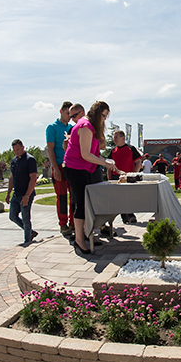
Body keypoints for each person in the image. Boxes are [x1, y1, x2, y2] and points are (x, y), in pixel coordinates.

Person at [64, 101, 116, 255]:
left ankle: (87, 234)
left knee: (87, 202)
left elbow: (93, 153)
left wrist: (105, 160)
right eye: (104, 116)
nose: (104, 120)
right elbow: (85, 155)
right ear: (97, 113)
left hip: (83, 168)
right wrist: (104, 162)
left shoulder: (90, 127)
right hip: (74, 168)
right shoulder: (85, 127)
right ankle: (79, 240)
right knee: (81, 202)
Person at [46, 101, 75, 237]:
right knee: (62, 196)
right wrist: (55, 169)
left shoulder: (72, 127)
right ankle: (63, 224)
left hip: (72, 165)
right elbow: (50, 149)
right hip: (59, 165)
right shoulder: (51, 128)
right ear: (61, 111)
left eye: (72, 114)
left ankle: (73, 222)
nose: (70, 116)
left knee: (74, 195)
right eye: (68, 113)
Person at [5, 139, 38, 246]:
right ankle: (30, 232)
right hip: (16, 194)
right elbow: (11, 178)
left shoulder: (30, 160)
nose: (16, 152)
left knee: (25, 217)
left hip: (26, 194)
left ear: (23, 147)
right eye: (14, 150)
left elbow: (33, 179)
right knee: (12, 216)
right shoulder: (14, 161)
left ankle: (27, 240)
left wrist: (27, 196)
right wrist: (8, 193)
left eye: (18, 149)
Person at [108, 130, 143, 223]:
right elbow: (108, 167)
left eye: (116, 137)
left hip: (128, 177)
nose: (114, 139)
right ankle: (125, 217)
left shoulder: (131, 149)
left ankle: (130, 215)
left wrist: (132, 175)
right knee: (119, 198)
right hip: (116, 177)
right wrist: (109, 180)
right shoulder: (113, 151)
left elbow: (138, 163)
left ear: (123, 137)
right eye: (113, 137)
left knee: (128, 197)